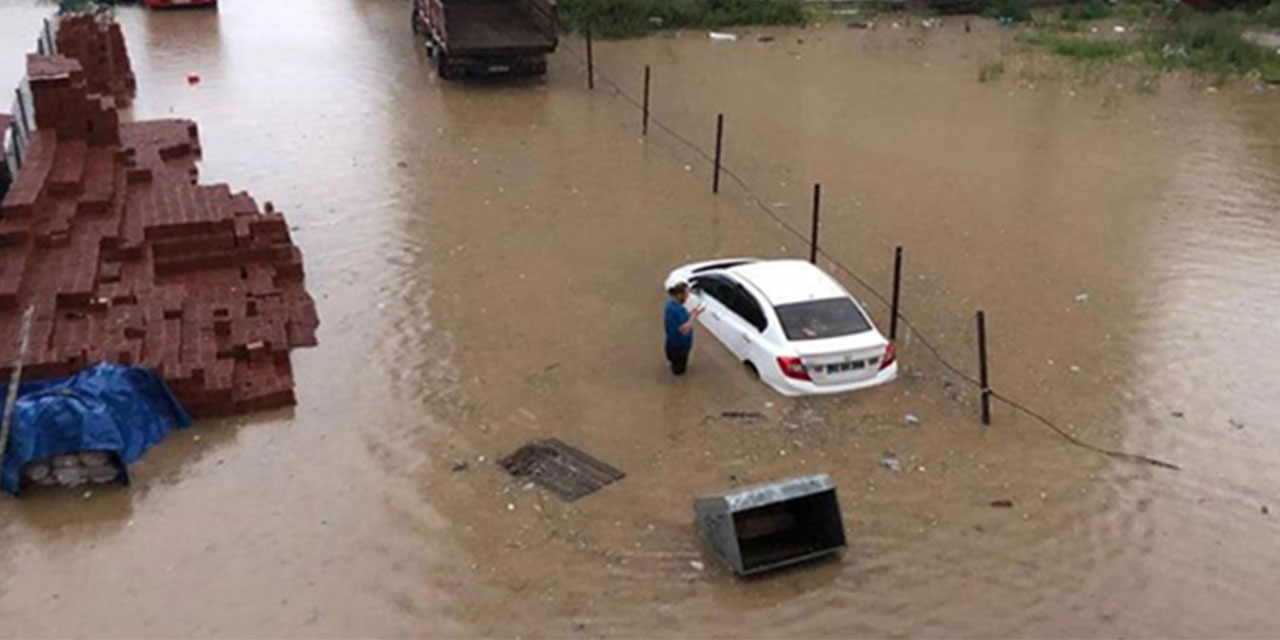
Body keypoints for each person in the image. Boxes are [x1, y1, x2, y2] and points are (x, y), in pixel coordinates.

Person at [663, 282, 703, 376]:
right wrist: (694, 315)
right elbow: (682, 329)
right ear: (680, 295)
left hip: (679, 345)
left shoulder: (675, 306)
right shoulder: (673, 310)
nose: (687, 297)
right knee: (679, 371)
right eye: (686, 294)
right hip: (678, 346)